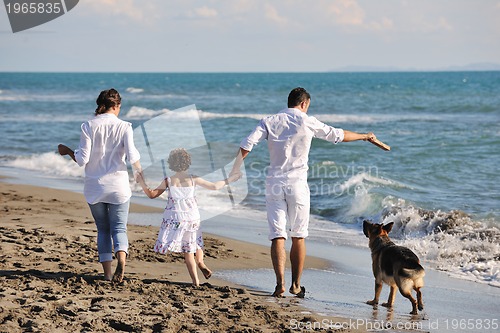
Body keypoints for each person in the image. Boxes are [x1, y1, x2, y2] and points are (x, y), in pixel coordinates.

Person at [231, 87, 377, 298]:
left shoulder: (269, 121)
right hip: (297, 185)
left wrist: (236, 167)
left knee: (277, 236)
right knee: (298, 235)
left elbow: (248, 143)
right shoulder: (307, 121)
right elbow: (338, 135)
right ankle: (296, 286)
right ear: (304, 104)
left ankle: (280, 284)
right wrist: (364, 136)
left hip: (274, 184)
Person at [58, 88, 141, 283]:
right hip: (118, 186)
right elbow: (132, 157)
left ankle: (107, 274)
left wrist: (68, 150)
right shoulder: (125, 126)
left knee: (103, 230)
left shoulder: (88, 126)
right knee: (119, 228)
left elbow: (82, 159)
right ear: (116, 106)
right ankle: (122, 260)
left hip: (95, 187)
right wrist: (142, 179)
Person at [135, 148, 240, 287]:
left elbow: (151, 194)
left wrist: (141, 182)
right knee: (195, 242)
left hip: (175, 217)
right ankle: (201, 262)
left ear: (171, 164)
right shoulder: (193, 178)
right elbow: (215, 186)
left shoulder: (168, 180)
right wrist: (231, 178)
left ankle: (195, 281)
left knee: (187, 251)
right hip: (192, 217)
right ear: (187, 163)